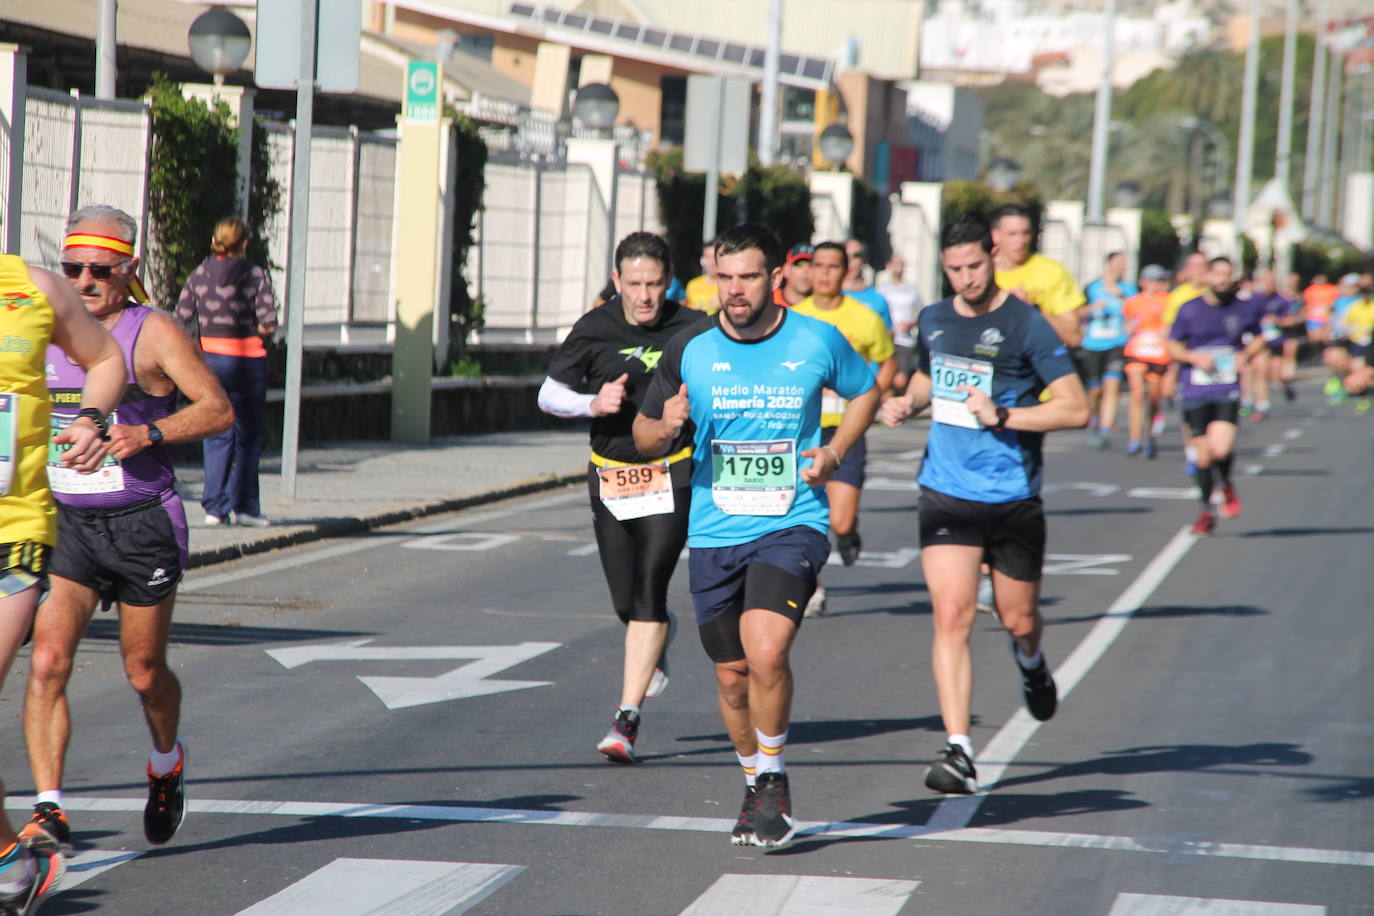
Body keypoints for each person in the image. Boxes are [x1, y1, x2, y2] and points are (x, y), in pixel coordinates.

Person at [633, 224, 879, 849]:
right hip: (715, 528)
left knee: (767, 651)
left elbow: (867, 389)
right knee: (732, 677)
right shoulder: (691, 348)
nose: (734, 290)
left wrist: (834, 451)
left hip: (792, 518)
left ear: (775, 280)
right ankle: (752, 783)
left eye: (747, 277)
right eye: (724, 276)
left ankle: (773, 778)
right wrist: (665, 426)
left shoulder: (817, 339)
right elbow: (643, 435)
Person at [22, 205, 234, 853]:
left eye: (100, 270)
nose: (84, 281)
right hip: (69, 527)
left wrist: (149, 432)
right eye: (72, 268)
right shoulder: (42, 325)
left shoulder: (154, 333)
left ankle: (166, 763)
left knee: (144, 672)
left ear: (128, 268)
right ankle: (49, 809)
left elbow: (218, 410)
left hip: (143, 522)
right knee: (48, 662)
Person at [880, 213, 1089, 796]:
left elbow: (1076, 407)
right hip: (946, 492)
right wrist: (906, 403)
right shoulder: (934, 318)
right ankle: (960, 747)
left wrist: (1006, 416)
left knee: (1017, 618)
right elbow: (928, 378)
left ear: (993, 255)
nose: (965, 278)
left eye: (974, 265)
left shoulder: (1027, 325)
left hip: (1012, 496)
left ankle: (1031, 660)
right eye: (953, 269)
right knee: (953, 615)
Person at [537, 232, 706, 764]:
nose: (645, 296)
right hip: (611, 475)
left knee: (651, 587)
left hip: (670, 471)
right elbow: (548, 393)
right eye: (634, 284)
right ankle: (656, 634)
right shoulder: (594, 328)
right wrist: (593, 402)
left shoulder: (695, 328)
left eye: (655, 284)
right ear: (616, 282)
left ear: (669, 282)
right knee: (625, 602)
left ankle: (625, 721)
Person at [1, 252, 125, 914]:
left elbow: (106, 359)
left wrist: (89, 419)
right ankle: (11, 861)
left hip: (13, 524)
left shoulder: (34, 288)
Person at [792, 242, 896, 615]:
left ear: (845, 270)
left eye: (832, 266)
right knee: (804, 512)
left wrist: (872, 397)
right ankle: (813, 585)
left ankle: (849, 534)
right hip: (803, 430)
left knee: (839, 518)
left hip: (846, 431)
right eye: (817, 266)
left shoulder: (865, 317)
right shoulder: (793, 316)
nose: (822, 274)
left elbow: (887, 362)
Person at [174, 216, 278, 527]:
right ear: (244, 243)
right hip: (247, 363)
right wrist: (255, 330)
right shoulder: (256, 275)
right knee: (248, 436)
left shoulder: (200, 274)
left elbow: (181, 317)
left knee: (216, 432)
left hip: (211, 364)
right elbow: (268, 322)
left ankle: (213, 509)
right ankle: (245, 507)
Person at [1166, 256, 1266, 535]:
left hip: (1227, 387)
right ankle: (1205, 511)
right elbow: (1172, 346)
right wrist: (1193, 357)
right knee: (1203, 457)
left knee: (1220, 450)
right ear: (1207, 276)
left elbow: (1259, 337)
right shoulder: (1189, 309)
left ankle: (1226, 485)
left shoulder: (1243, 308)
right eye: (1217, 274)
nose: (1222, 280)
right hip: (1195, 388)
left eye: (1227, 274)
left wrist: (1244, 355)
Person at [989, 204, 1086, 347]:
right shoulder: (980, 272)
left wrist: (1032, 311)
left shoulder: (1051, 271)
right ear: (995, 235)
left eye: (1026, 233)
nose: (1021, 241)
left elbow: (1073, 336)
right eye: (1012, 234)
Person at [1080, 252, 1136, 448]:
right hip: (1093, 344)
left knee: (1112, 386)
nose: (1122, 266)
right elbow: (1077, 311)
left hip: (1117, 343)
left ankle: (1105, 429)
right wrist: (1093, 308)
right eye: (1118, 262)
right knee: (1095, 389)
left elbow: (1136, 314)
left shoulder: (1128, 290)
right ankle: (1093, 419)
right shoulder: (1093, 287)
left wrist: (1122, 301)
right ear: (1108, 264)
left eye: (1124, 262)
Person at [1121, 264, 1173, 457]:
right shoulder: (1133, 302)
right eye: (1155, 280)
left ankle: (1150, 436)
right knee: (1136, 394)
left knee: (1153, 397)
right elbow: (1127, 326)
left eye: (1161, 280)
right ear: (1144, 282)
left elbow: (1171, 327)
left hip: (1158, 353)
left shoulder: (1168, 300)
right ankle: (1134, 439)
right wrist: (1132, 326)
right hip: (1137, 351)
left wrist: (1163, 323)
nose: (1159, 284)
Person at [878, 253, 925, 393]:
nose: (899, 267)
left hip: (905, 339)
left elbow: (922, 312)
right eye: (895, 263)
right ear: (889, 266)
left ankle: (893, 403)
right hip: (887, 337)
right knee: (887, 376)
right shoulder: (882, 290)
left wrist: (910, 324)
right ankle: (888, 407)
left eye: (901, 263)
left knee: (900, 379)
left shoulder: (912, 289)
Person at [841, 238, 893, 330]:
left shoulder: (878, 299)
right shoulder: (828, 296)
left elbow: (888, 336)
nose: (850, 261)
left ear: (864, 259)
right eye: (846, 256)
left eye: (856, 256)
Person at [685, 240, 720, 313]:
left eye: (715, 257)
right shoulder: (692, 285)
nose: (712, 261)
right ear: (702, 260)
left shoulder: (729, 286)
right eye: (708, 257)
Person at [774, 244, 813, 308]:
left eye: (811, 265)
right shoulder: (769, 300)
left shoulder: (824, 306)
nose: (806, 270)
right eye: (799, 264)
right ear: (786, 270)